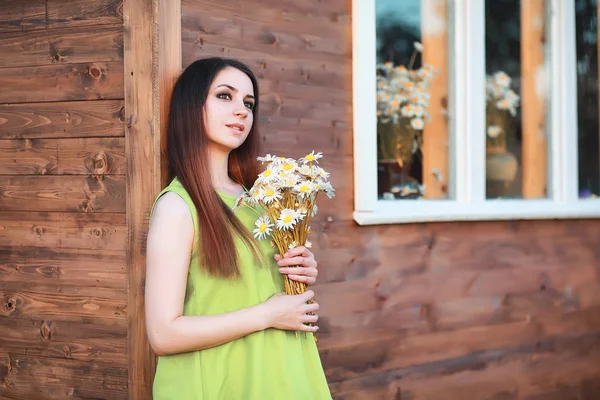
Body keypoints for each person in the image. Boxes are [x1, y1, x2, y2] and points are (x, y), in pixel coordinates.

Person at [144, 57, 332, 399]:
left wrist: (297, 271)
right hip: (218, 383)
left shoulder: (259, 201)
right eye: (224, 96)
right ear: (191, 106)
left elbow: (264, 296)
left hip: (280, 376)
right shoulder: (177, 207)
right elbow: (162, 334)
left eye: (248, 103)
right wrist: (268, 314)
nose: (242, 111)